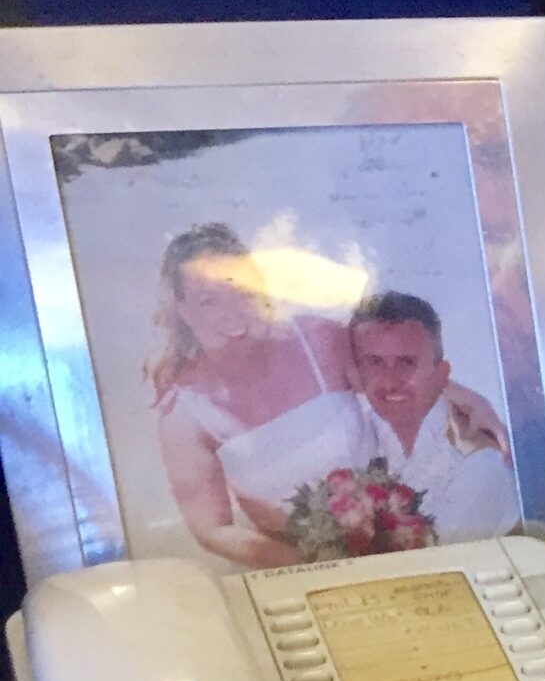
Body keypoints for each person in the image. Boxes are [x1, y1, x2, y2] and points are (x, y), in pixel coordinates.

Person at [146, 223, 504, 567]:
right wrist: (316, 563)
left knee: (489, 475)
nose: (232, 312)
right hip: (300, 561)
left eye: (241, 289)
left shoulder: (316, 340)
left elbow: (391, 375)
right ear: (183, 311)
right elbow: (213, 529)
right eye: (209, 301)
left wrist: (468, 398)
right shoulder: (184, 415)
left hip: (402, 526)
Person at [342, 291, 521, 541]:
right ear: (357, 371)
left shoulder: (480, 463)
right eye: (374, 362)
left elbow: (433, 560)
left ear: (440, 373)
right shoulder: (352, 439)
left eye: (407, 363)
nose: (390, 381)